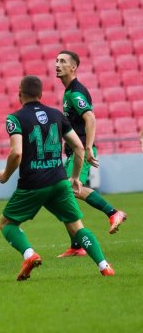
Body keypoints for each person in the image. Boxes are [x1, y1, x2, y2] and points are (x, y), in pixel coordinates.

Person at [0, 75, 114, 281]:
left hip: (32, 184)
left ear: (19, 94)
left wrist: (5, 175)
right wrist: (76, 177)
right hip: (59, 181)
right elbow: (78, 147)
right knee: (77, 226)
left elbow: (16, 153)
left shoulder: (14, 118)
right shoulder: (56, 114)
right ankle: (104, 266)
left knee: (7, 223)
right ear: (41, 94)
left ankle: (29, 254)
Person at [55, 50, 127, 258]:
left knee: (70, 189)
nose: (57, 65)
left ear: (73, 67)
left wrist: (87, 148)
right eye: (56, 61)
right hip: (72, 152)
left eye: (62, 61)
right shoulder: (69, 91)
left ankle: (113, 213)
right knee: (65, 194)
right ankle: (76, 246)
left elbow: (91, 118)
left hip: (79, 151)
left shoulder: (75, 93)